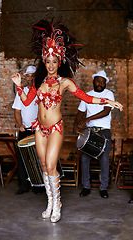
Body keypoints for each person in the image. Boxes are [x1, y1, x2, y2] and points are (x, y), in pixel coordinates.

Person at [11, 19, 123, 223]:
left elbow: (86, 97)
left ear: (59, 61)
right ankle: (50, 203)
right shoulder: (39, 82)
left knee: (52, 165)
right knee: (44, 165)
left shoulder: (65, 82)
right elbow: (27, 101)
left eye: (55, 61)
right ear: (44, 61)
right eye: (48, 61)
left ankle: (58, 203)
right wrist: (19, 85)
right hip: (39, 128)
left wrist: (108, 101)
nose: (51, 65)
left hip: (55, 127)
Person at [74, 70, 118, 199]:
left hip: (104, 131)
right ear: (93, 81)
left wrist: (88, 119)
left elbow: (106, 111)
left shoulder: (109, 94)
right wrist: (75, 126)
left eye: (102, 82)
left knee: (104, 159)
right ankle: (86, 187)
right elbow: (80, 113)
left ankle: (103, 188)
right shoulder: (87, 95)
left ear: (105, 84)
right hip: (90, 132)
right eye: (98, 81)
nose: (100, 83)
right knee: (84, 159)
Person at [12, 65, 38, 195]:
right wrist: (20, 124)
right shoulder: (20, 92)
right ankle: (23, 184)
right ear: (25, 78)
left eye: (33, 76)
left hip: (38, 130)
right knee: (22, 157)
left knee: (37, 158)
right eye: (28, 76)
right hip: (24, 130)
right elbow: (17, 111)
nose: (30, 78)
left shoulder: (40, 91)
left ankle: (38, 184)